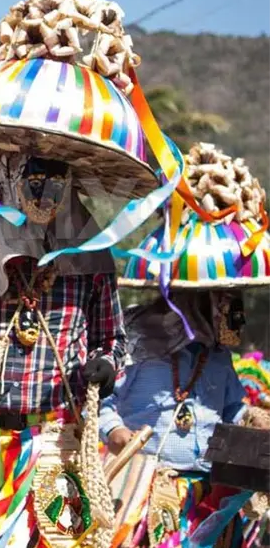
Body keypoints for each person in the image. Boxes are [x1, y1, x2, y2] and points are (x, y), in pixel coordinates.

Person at [0, 0, 177, 547]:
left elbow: (113, 339)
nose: (45, 188)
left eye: (57, 177)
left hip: (55, 449)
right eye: (34, 174)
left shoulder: (90, 254)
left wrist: (105, 366)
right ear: (10, 173)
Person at [103, 142, 270, 547]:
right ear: (189, 298)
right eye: (221, 299)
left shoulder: (218, 357)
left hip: (207, 496)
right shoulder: (137, 338)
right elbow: (105, 403)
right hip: (144, 491)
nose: (231, 311)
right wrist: (116, 433)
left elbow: (232, 409)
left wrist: (254, 420)